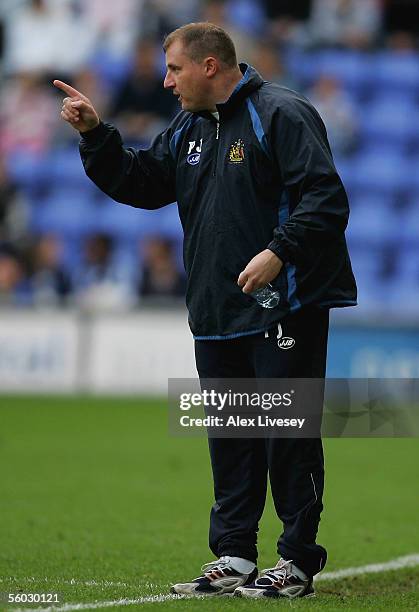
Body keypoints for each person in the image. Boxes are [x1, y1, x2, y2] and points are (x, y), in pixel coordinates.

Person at [54, 22, 357, 599]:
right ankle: (236, 554)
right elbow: (143, 183)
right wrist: (97, 136)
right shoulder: (189, 127)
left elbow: (326, 198)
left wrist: (277, 251)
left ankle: (294, 560)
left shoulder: (282, 113)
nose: (166, 81)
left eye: (173, 69)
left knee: (285, 431)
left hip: (283, 304)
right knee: (231, 435)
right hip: (216, 308)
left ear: (210, 66)